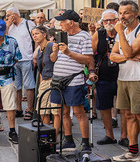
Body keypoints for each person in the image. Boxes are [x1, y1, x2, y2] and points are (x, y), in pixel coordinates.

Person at [110, 1, 140, 162]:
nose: (122, 16)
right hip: (123, 77)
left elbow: (126, 51)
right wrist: (128, 56)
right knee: (128, 115)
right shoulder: (121, 32)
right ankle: (133, 150)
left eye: (126, 13)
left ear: (136, 14)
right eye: (120, 13)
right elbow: (112, 56)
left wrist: (121, 34)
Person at [50, 10, 94, 151]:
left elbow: (88, 59)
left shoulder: (84, 36)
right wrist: (55, 51)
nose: (60, 24)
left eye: (62, 21)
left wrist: (68, 52)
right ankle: (69, 140)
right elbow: (53, 59)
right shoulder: (62, 35)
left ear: (70, 23)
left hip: (74, 79)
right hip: (58, 79)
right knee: (62, 111)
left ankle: (85, 143)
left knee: (78, 112)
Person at [91, 9, 128, 146]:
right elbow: (90, 54)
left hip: (123, 75)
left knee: (124, 108)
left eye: (112, 20)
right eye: (106, 20)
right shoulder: (98, 34)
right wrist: (91, 71)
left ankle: (124, 136)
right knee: (104, 107)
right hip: (104, 77)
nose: (109, 23)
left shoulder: (123, 32)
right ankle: (109, 135)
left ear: (117, 20)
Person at [6, 7, 36, 120]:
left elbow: (36, 39)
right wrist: (8, 25)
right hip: (14, 60)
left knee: (29, 85)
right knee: (16, 86)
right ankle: (18, 109)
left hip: (27, 58)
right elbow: (4, 38)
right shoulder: (10, 27)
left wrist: (35, 56)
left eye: (8, 15)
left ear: (15, 14)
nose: (7, 17)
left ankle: (29, 109)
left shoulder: (28, 24)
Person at [33, 26, 55, 125]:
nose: (34, 36)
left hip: (54, 81)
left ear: (44, 34)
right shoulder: (39, 50)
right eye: (33, 34)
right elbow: (41, 70)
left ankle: (54, 133)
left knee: (55, 111)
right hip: (45, 81)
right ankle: (47, 132)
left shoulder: (51, 45)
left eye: (37, 33)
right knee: (42, 110)